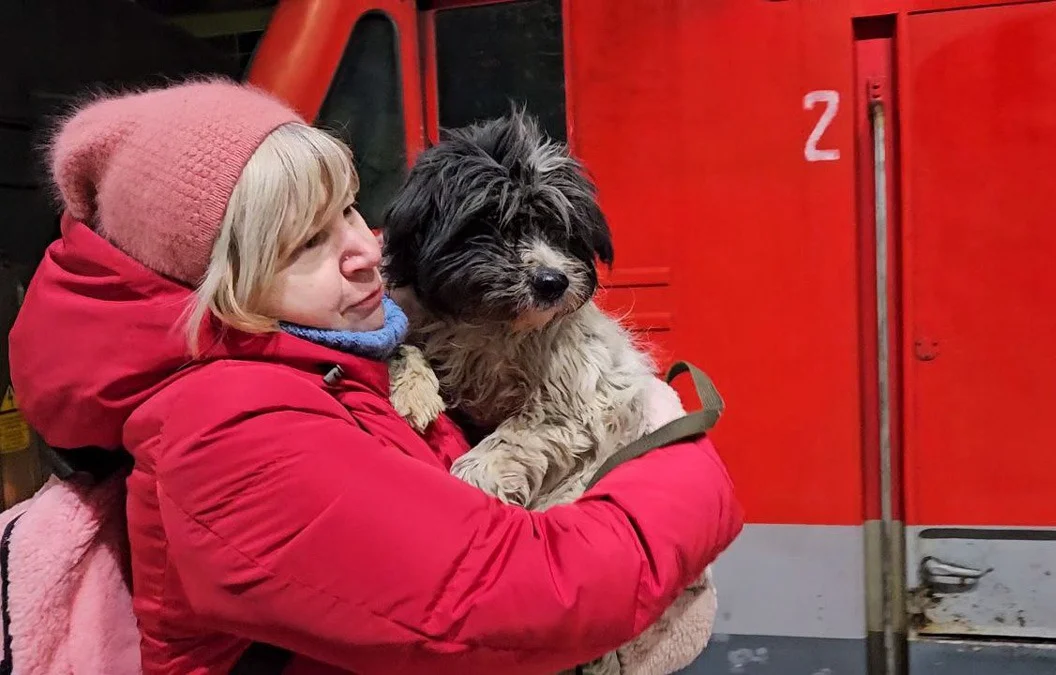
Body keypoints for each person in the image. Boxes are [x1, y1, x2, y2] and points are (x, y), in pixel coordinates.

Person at [7, 79, 743, 674]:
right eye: (305, 241)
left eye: (350, 206)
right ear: (217, 281)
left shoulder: (332, 348)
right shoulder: (229, 427)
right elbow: (525, 599)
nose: (366, 248)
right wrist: (690, 467)